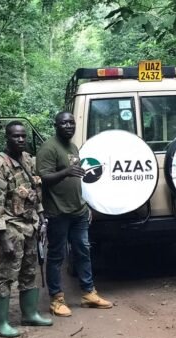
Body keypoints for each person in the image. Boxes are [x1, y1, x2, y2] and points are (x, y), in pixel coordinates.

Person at [36, 111, 112, 317]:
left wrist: (85, 205)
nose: (69, 126)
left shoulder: (73, 146)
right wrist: (66, 172)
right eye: (64, 123)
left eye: (71, 122)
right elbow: (43, 178)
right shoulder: (49, 148)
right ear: (56, 125)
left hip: (78, 211)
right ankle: (56, 299)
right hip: (58, 212)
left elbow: (77, 180)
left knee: (83, 251)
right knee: (56, 256)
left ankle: (88, 293)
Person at [0, 121, 52, 337]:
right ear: (7, 138)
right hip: (11, 226)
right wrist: (0, 234)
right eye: (16, 136)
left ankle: (29, 314)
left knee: (29, 271)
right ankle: (1, 323)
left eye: (23, 136)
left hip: (30, 224)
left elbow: (34, 189)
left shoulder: (27, 160)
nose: (21, 139)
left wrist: (41, 215)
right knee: (6, 273)